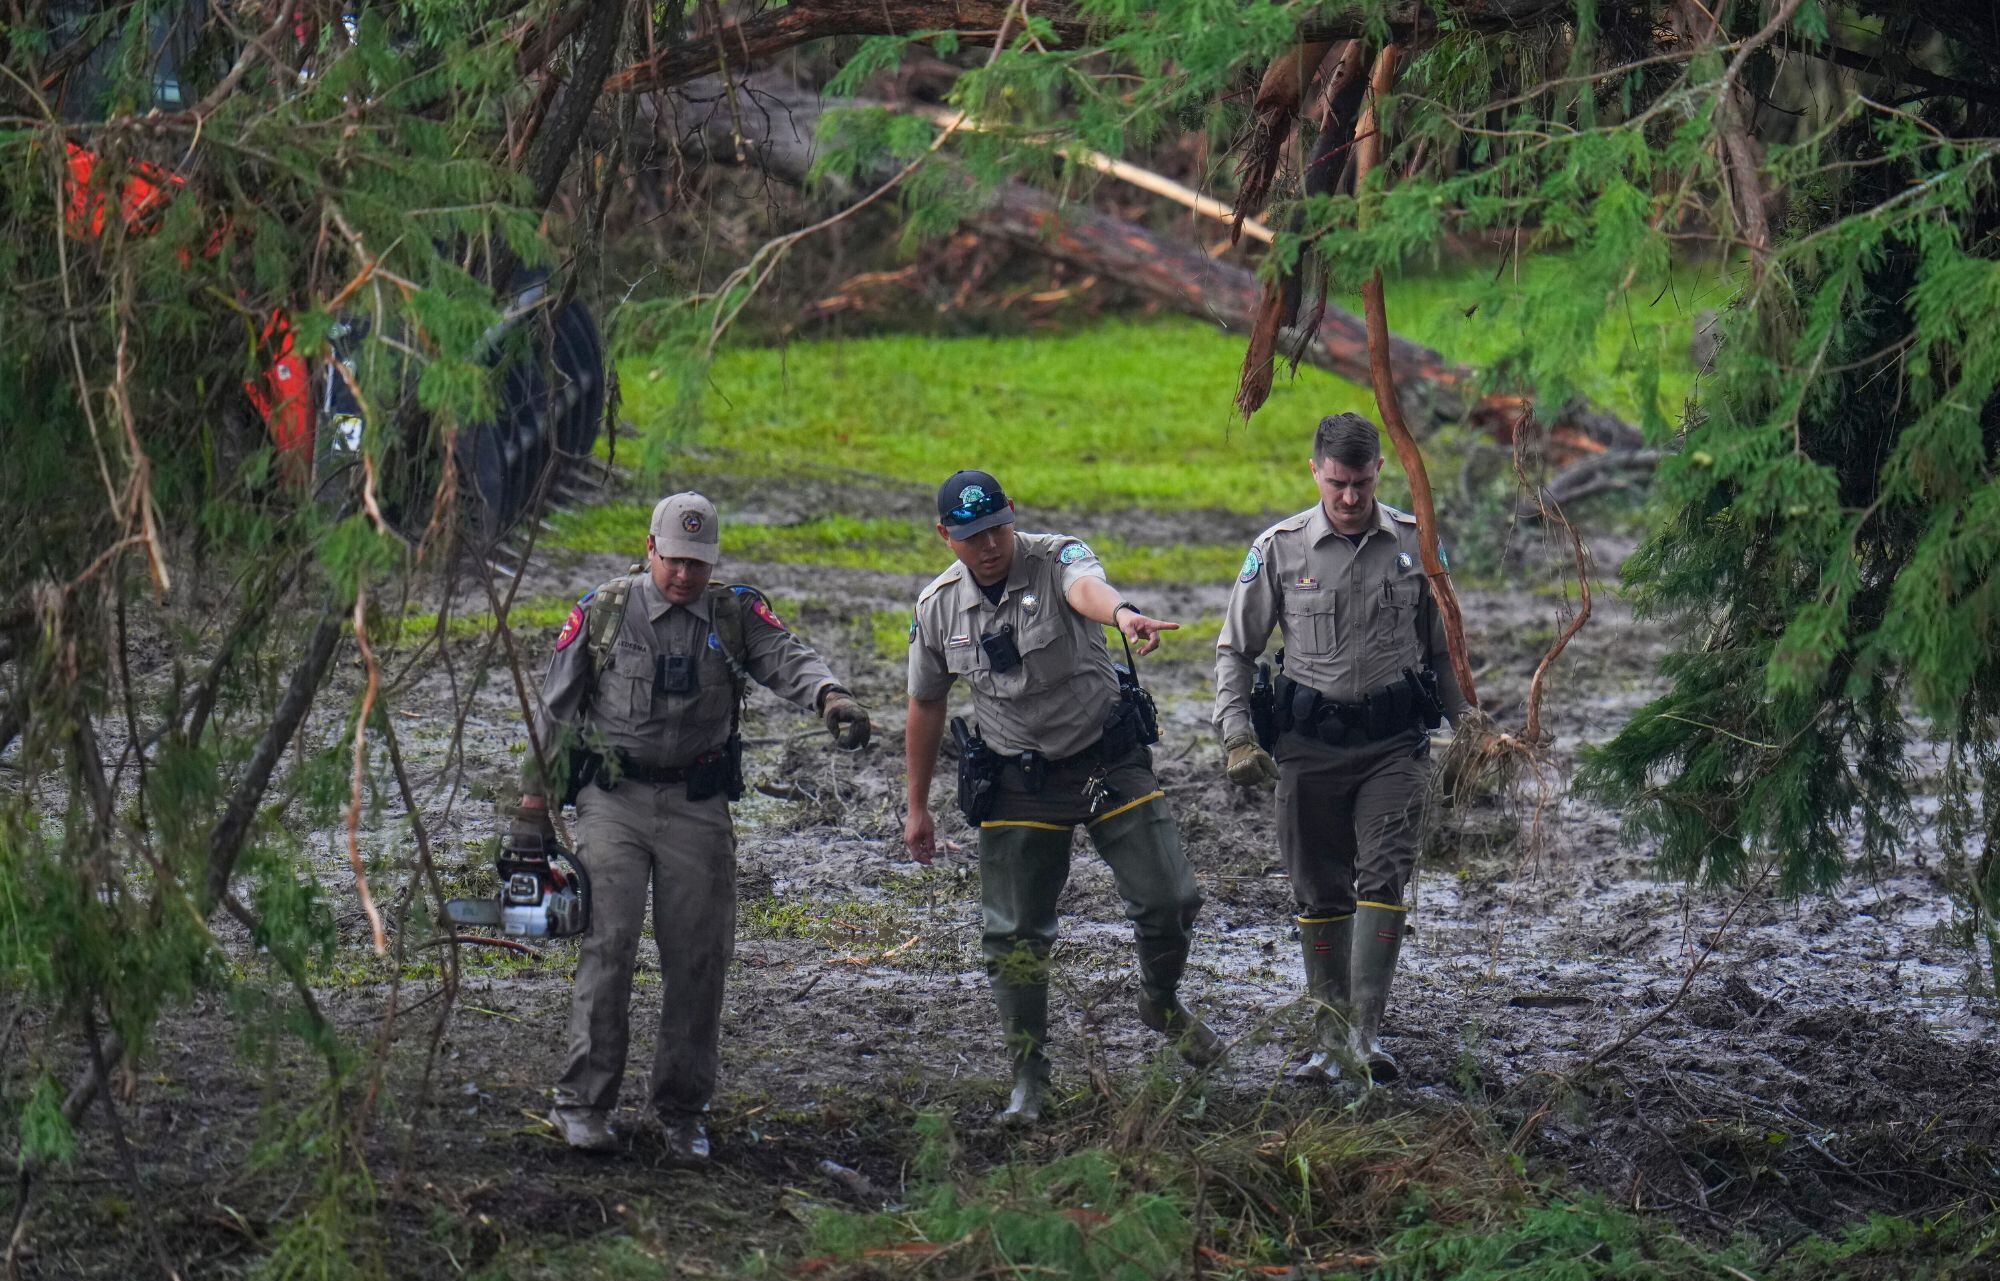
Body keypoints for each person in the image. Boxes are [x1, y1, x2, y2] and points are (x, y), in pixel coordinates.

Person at [507, 492, 872, 1159]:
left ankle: (681, 1111)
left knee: (698, 958)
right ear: (650, 550)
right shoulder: (604, 613)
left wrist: (829, 695)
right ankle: (583, 1102)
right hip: (612, 800)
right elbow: (555, 711)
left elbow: (787, 656)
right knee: (609, 944)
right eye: (674, 560)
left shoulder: (733, 612)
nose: (684, 575)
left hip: (698, 805)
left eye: (697, 563)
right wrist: (534, 808)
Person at [903, 469, 1221, 1126]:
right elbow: (925, 702)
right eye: (971, 536)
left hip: (1105, 757)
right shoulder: (936, 607)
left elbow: (1086, 589)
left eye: (997, 528)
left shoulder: (1057, 556)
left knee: (1171, 898)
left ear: (1012, 515)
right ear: (945, 536)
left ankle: (1160, 999)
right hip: (1019, 778)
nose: (988, 545)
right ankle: (1028, 1077)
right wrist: (916, 805)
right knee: (1013, 935)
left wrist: (1125, 614)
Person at [1214, 413, 1469, 1085]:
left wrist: (1471, 729)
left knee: (1384, 876)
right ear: (1314, 472)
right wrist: (1237, 735)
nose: (1350, 498)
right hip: (1307, 748)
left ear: (1379, 471)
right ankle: (1328, 1040)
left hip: (1394, 746)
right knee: (1321, 889)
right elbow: (1235, 649)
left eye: (1360, 483)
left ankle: (1366, 1035)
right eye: (1337, 484)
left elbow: (1446, 654)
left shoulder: (1418, 546)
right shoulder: (1280, 549)